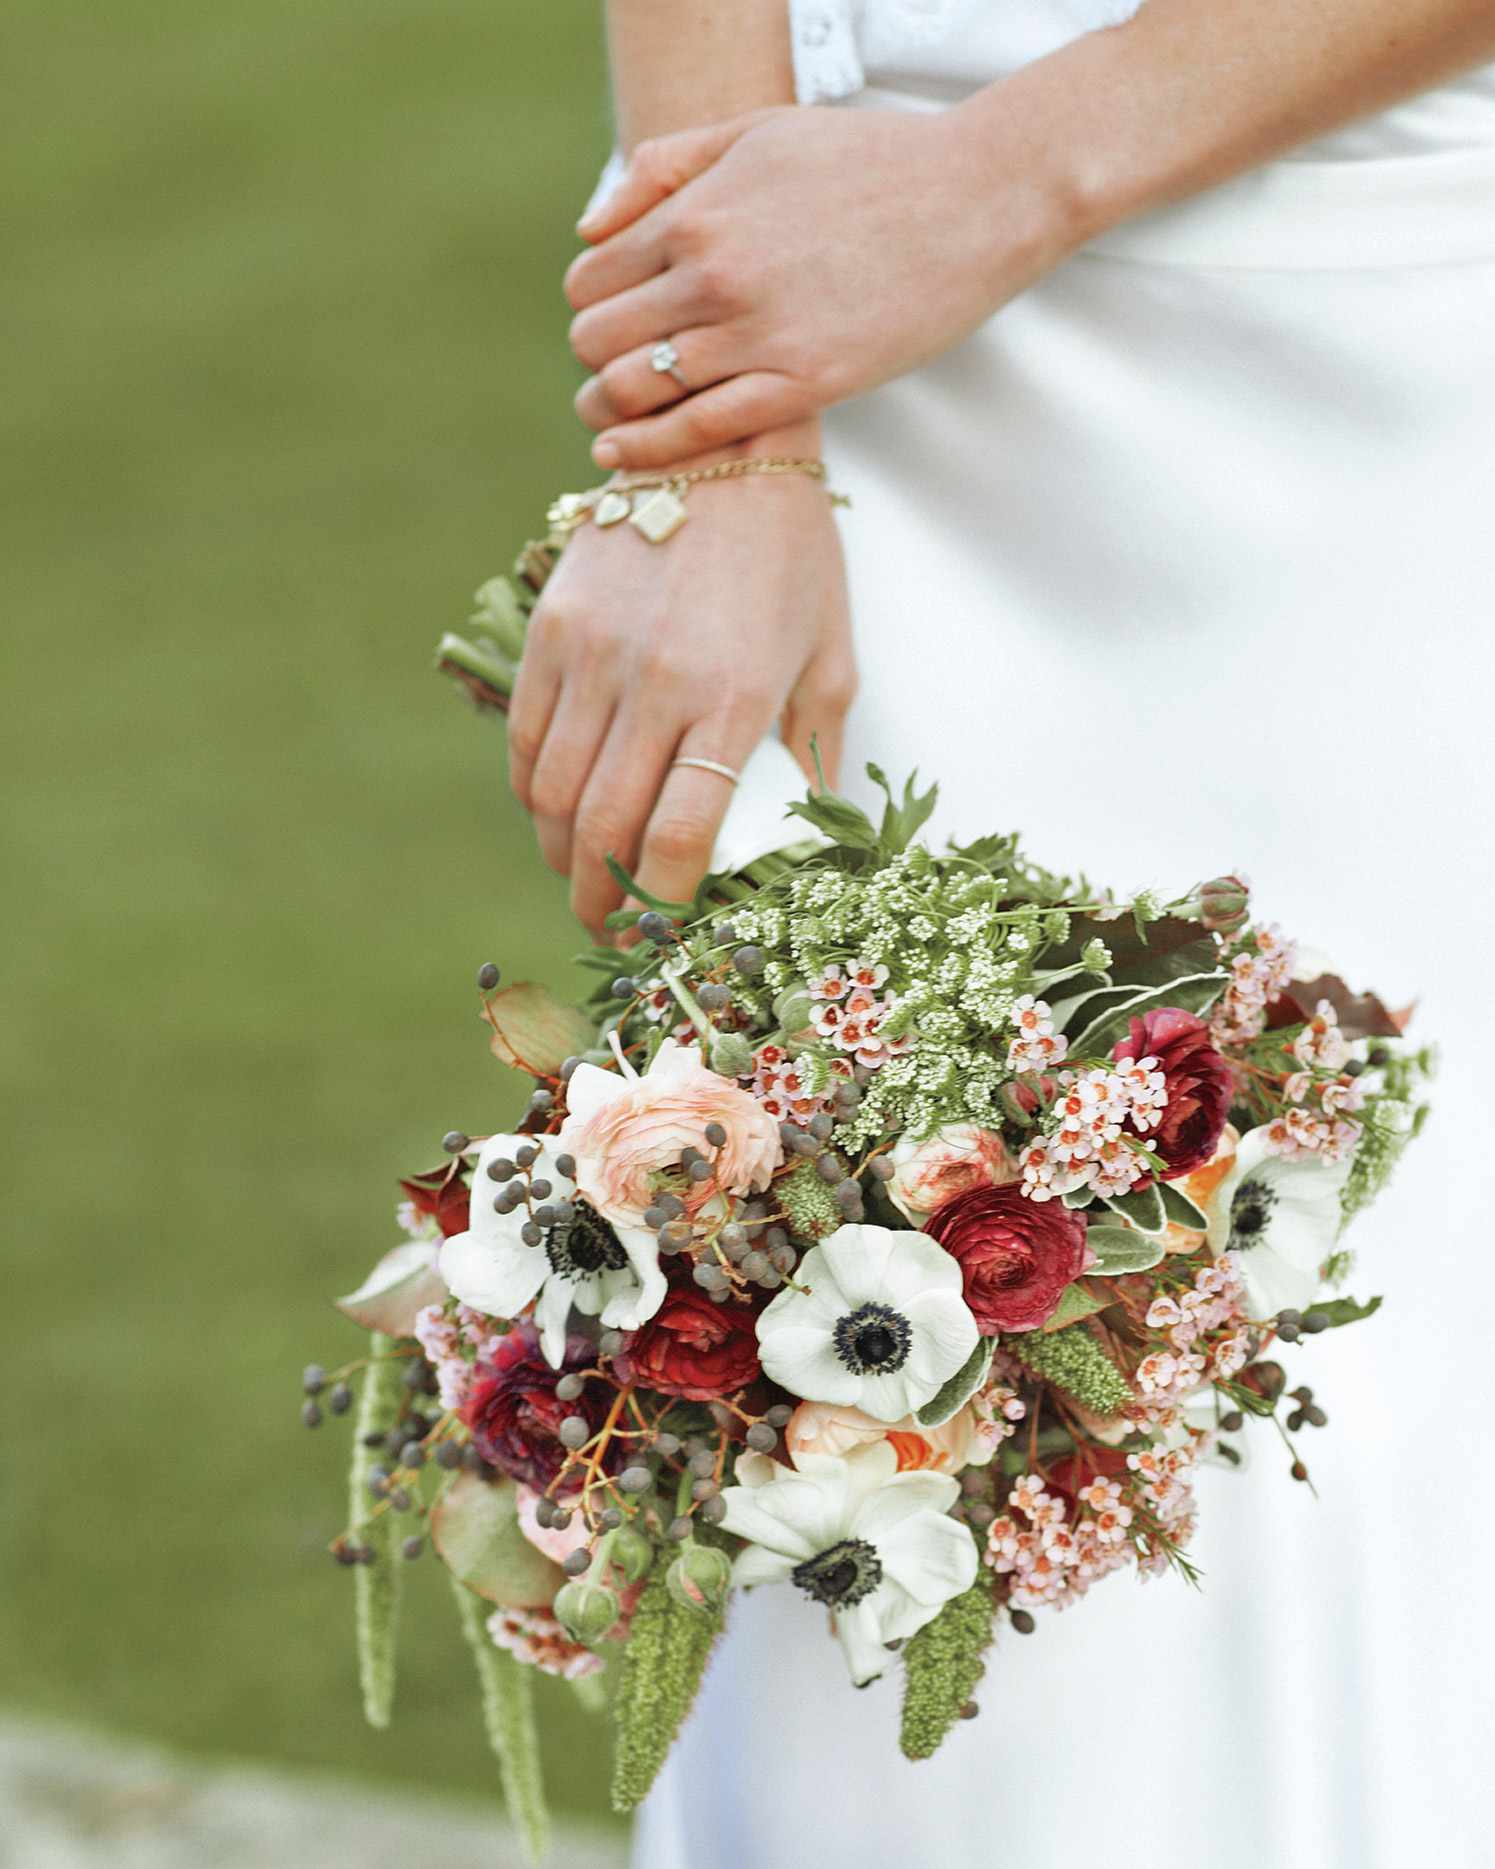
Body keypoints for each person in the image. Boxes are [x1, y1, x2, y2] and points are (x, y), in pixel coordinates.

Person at [508, 4, 1495, 1864]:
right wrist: (718, 442)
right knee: (873, 1479)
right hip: (825, 300)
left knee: (1399, 1427)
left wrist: (1010, 172)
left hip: (1401, 343)